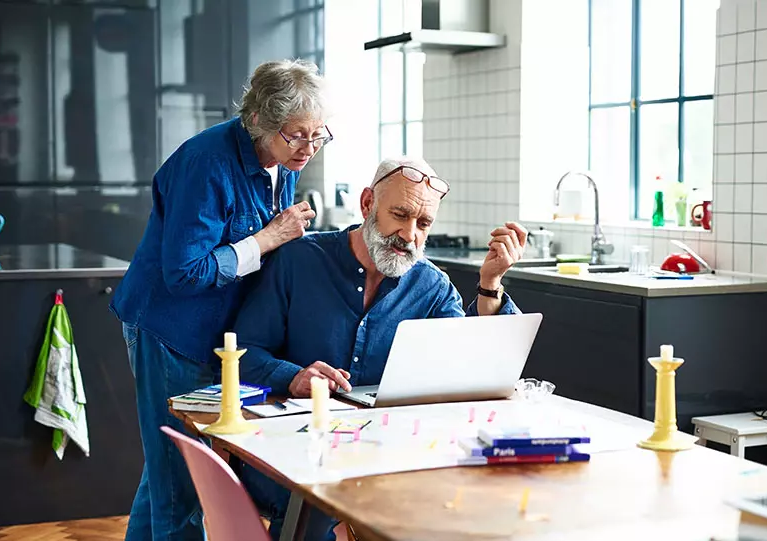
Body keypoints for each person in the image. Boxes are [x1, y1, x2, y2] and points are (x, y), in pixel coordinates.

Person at [233, 156, 527, 540]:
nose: (409, 235)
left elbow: (475, 368)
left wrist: (490, 284)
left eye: (423, 224)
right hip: (298, 454)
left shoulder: (431, 286)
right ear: (368, 203)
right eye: (400, 215)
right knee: (315, 515)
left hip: (390, 456)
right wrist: (294, 377)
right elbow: (242, 354)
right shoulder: (298, 260)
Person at [109, 58, 331, 541]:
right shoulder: (206, 163)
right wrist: (270, 238)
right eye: (296, 136)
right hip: (171, 332)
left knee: (167, 472)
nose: (309, 149)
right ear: (258, 122)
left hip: (213, 333)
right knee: (181, 483)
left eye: (318, 135)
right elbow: (185, 273)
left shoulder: (281, 160)